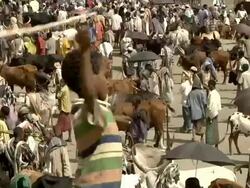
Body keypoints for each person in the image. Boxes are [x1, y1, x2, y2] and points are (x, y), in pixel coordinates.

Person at [62, 30, 122, 188]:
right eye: (104, 76)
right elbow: (89, 94)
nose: (108, 81)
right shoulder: (86, 113)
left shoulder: (97, 111)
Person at [206, 80, 221, 148]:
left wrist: (209, 115)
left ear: (212, 85)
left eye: (209, 85)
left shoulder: (211, 94)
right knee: (215, 130)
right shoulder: (217, 93)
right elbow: (219, 106)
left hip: (211, 114)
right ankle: (216, 144)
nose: (208, 86)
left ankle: (209, 145)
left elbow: (210, 105)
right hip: (216, 113)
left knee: (209, 130)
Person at [180, 69, 193, 133]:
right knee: (189, 115)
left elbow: (180, 91)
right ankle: (185, 127)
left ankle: (189, 127)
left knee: (186, 116)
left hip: (185, 102)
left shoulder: (183, 84)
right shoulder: (191, 83)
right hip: (191, 102)